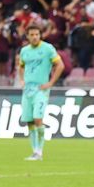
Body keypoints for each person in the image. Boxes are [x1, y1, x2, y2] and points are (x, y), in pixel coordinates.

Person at [19, 25, 64, 161]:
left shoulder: (47, 49)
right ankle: (34, 151)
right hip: (28, 90)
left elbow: (60, 65)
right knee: (29, 121)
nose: (34, 37)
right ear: (27, 36)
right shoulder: (24, 51)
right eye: (32, 35)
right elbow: (21, 66)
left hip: (41, 89)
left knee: (38, 118)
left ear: (40, 35)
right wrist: (21, 80)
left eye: (37, 34)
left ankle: (40, 152)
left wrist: (50, 83)